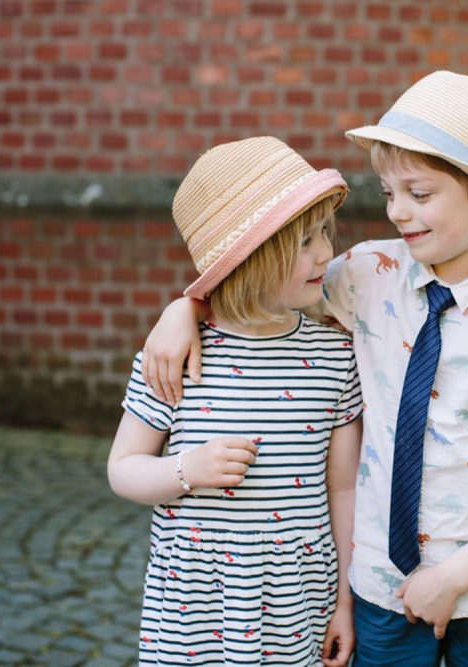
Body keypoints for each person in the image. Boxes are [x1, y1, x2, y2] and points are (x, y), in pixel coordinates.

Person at [142, 71, 468, 666]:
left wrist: (453, 577)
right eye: (387, 193)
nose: (399, 212)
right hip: (381, 583)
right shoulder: (367, 274)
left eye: (420, 194)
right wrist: (187, 305)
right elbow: (261, 279)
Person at [107, 136, 363, 667]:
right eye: (304, 242)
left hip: (298, 602)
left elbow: (342, 488)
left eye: (323, 234)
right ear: (247, 261)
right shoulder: (174, 357)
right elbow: (123, 470)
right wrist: (187, 469)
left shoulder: (336, 355)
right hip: (195, 605)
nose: (325, 254)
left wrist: (345, 601)